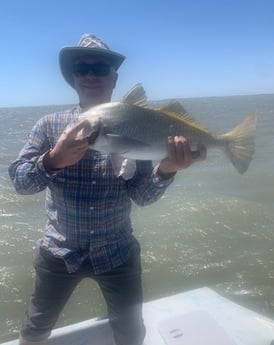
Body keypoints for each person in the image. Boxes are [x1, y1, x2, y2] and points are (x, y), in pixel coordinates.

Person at [8, 33, 206, 345]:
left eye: (99, 68)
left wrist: (167, 170)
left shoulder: (135, 122)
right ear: (73, 77)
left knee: (130, 332)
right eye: (82, 68)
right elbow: (20, 182)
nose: (90, 74)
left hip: (117, 252)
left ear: (113, 78)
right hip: (59, 252)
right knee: (35, 327)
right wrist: (53, 160)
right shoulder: (49, 125)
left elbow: (142, 196)